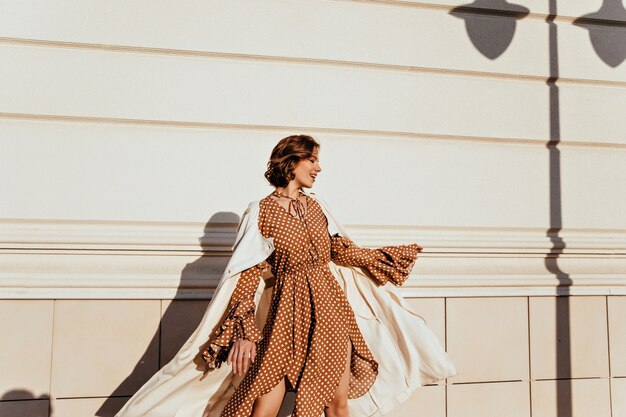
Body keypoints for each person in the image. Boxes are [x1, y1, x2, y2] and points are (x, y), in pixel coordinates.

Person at [114, 134, 457, 417]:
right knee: (264, 402)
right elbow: (246, 273)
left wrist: (386, 256)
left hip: (329, 312)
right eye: (313, 161)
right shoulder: (261, 212)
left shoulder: (316, 206)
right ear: (292, 162)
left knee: (337, 404)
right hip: (285, 316)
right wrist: (245, 332)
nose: (319, 168)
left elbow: (339, 250)